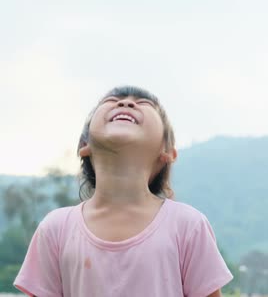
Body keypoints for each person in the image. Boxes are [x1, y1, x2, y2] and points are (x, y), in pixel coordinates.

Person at [14, 86, 233, 297]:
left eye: (143, 103)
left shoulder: (188, 226)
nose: (125, 102)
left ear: (167, 150)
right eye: (111, 101)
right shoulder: (56, 229)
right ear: (84, 144)